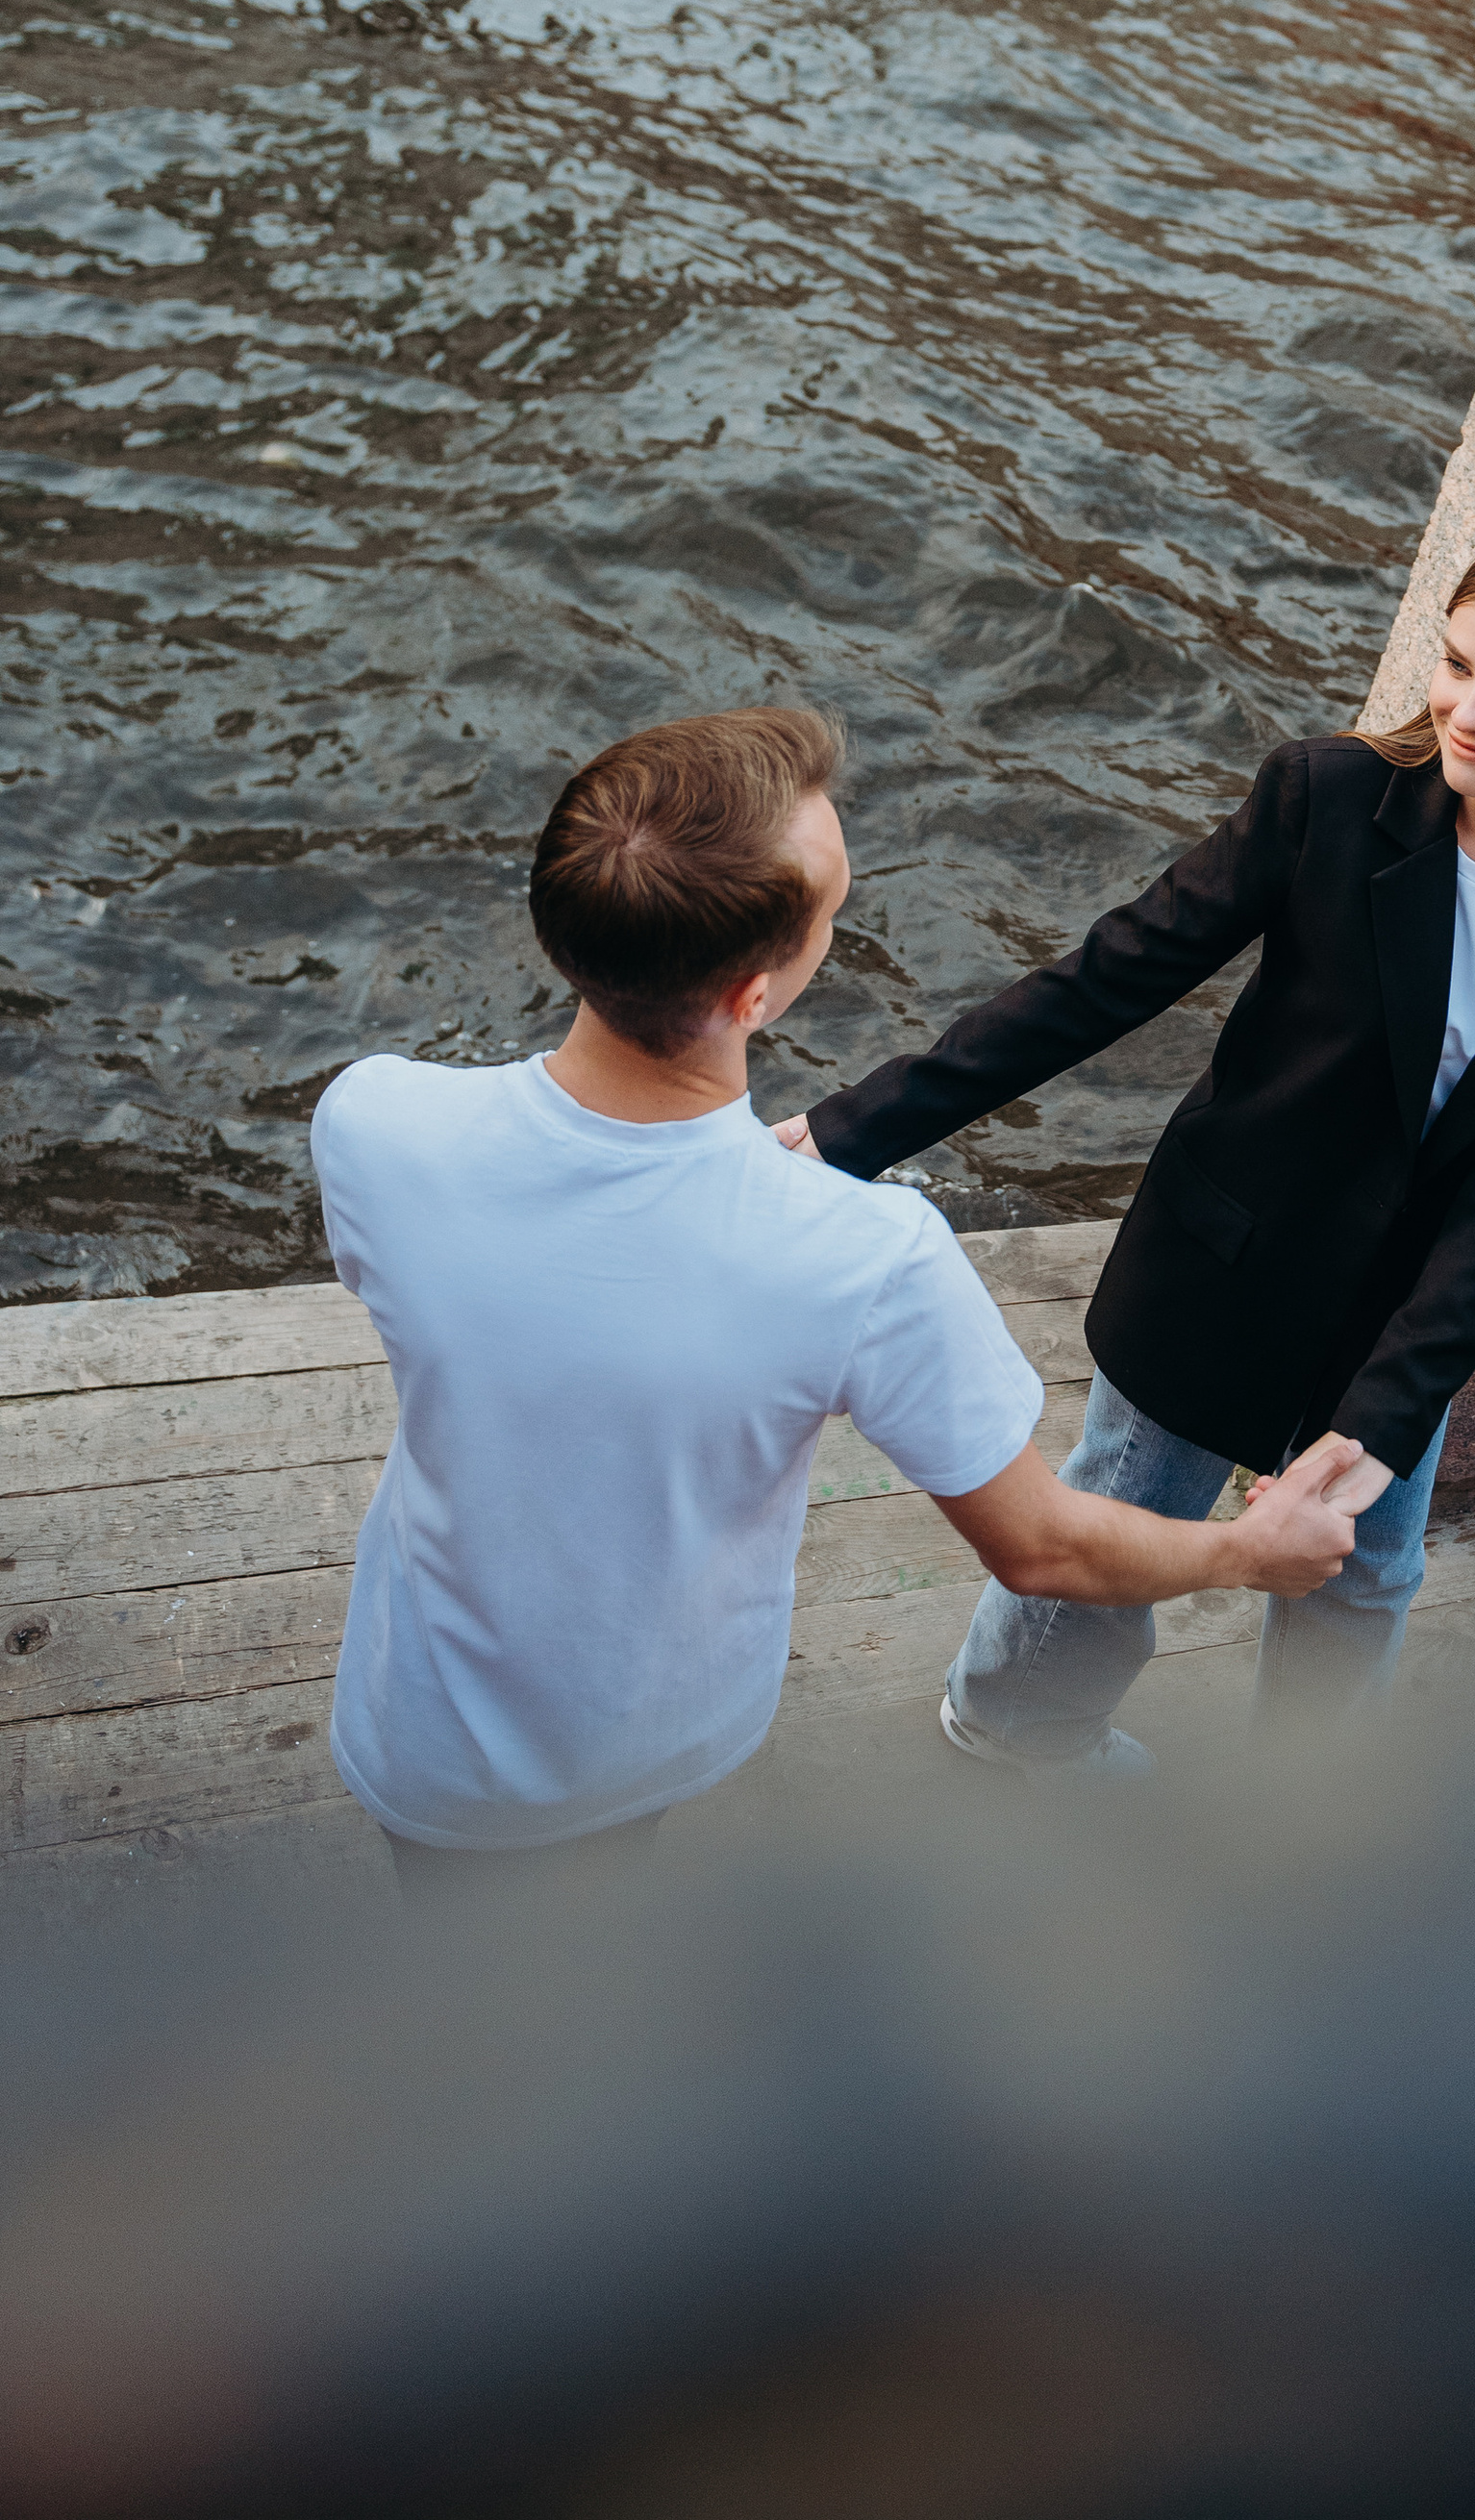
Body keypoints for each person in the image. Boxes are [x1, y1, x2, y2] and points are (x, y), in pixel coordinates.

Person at [312, 708, 1359, 1891]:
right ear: (756, 994)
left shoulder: (375, 1119)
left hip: (416, 1720)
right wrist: (1248, 1552)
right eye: (833, 918)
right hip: (636, 1736)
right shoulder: (866, 1256)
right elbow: (1043, 1549)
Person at [783, 516, 1475, 1778]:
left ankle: (1301, 1807)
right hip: (1222, 1258)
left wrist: (1386, 1413)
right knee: (1122, 1527)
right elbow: (1101, 981)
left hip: (1403, 1313)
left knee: (1367, 1567)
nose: (1468, 712)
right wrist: (849, 1133)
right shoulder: (1326, 799)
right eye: (1457, 663)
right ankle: (1007, 1726)